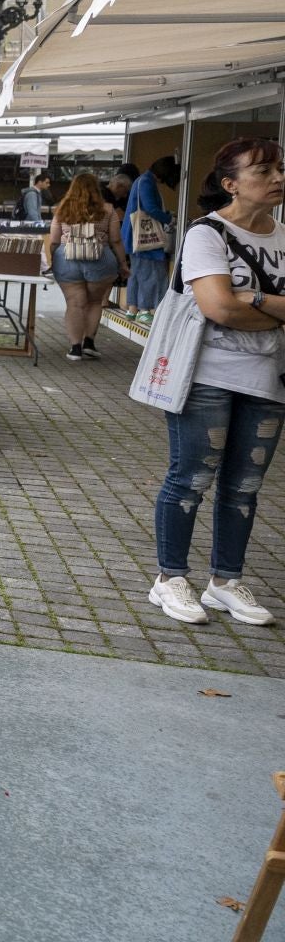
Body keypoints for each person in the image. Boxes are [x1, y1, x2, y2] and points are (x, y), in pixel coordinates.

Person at [146, 137, 283, 629]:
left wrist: (256, 299)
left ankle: (225, 582)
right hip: (204, 378)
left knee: (244, 486)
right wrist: (271, 308)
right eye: (263, 170)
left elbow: (235, 304)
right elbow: (218, 307)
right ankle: (170, 578)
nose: (277, 178)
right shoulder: (207, 234)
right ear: (230, 183)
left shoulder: (283, 235)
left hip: (268, 379)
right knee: (191, 478)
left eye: (279, 169)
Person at [42, 173, 126, 361]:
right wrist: (122, 264)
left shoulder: (62, 209)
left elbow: (54, 241)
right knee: (95, 302)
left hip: (68, 259)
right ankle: (89, 342)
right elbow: (116, 240)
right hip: (101, 259)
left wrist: (54, 261)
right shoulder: (108, 209)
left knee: (74, 303)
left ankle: (75, 348)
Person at [123, 155, 181, 323]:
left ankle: (132, 309)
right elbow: (150, 208)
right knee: (151, 274)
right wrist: (169, 219)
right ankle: (145, 310)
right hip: (145, 238)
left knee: (137, 273)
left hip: (135, 237)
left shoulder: (141, 180)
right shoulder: (147, 182)